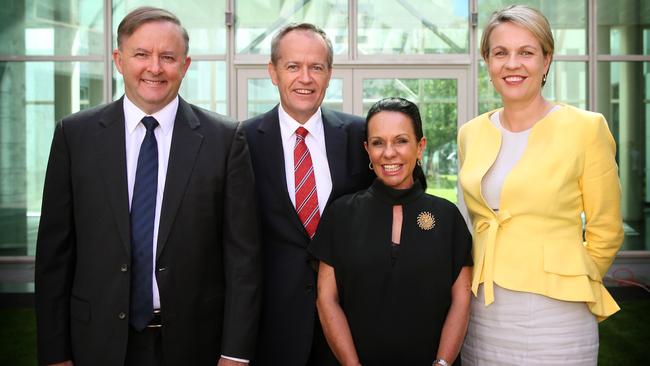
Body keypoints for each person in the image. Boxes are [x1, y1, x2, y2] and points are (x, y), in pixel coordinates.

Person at [34, 7, 261, 366]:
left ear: (184, 65)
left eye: (167, 57)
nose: (154, 67)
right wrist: (55, 353)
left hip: (195, 344)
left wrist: (234, 354)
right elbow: (53, 258)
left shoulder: (225, 139)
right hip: (96, 342)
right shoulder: (74, 136)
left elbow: (243, 259)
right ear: (119, 60)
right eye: (141, 54)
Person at [458, 5, 624, 365]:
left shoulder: (586, 128)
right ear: (487, 61)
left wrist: (573, 276)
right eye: (500, 53)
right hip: (485, 309)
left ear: (547, 60)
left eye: (526, 52)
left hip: (558, 311)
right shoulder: (471, 133)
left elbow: (606, 229)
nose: (512, 64)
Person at [242, 23, 374, 365]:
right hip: (272, 328)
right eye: (292, 66)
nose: (305, 78)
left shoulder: (361, 135)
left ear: (329, 74)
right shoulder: (242, 141)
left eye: (316, 67)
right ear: (273, 72)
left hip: (351, 323)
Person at [308, 97, 473, 366]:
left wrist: (442, 363)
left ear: (420, 147)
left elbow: (461, 300)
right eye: (378, 142)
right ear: (367, 149)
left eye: (401, 140)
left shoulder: (447, 216)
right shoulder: (341, 214)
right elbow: (327, 299)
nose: (389, 152)